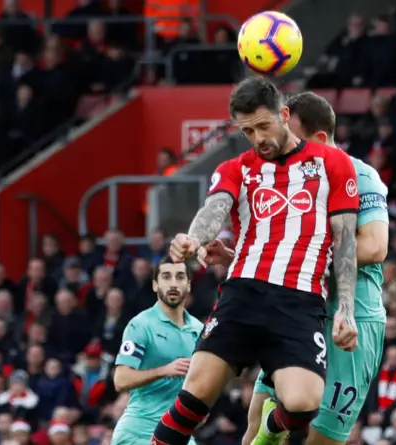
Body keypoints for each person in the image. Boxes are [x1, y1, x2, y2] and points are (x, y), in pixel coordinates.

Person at [153, 76, 360, 445]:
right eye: (248, 131)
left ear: (283, 114)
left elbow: (345, 242)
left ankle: (271, 427)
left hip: (300, 301)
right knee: (193, 399)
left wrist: (345, 308)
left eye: (264, 126)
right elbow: (214, 208)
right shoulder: (238, 167)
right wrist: (193, 237)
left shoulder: (333, 163)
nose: (258, 138)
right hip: (242, 294)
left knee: (302, 406)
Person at [200, 91, 389, 445]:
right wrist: (238, 255)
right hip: (295, 314)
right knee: (255, 424)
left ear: (318, 139)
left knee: (318, 439)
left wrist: (305, 256)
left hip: (351, 320)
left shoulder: (361, 175)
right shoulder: (286, 174)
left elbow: (376, 246)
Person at [111, 257, 203, 445]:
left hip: (180, 432)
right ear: (155, 285)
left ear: (188, 285)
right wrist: (163, 370)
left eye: (179, 277)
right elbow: (120, 380)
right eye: (166, 277)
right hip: (139, 432)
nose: (173, 284)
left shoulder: (199, 330)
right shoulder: (141, 325)